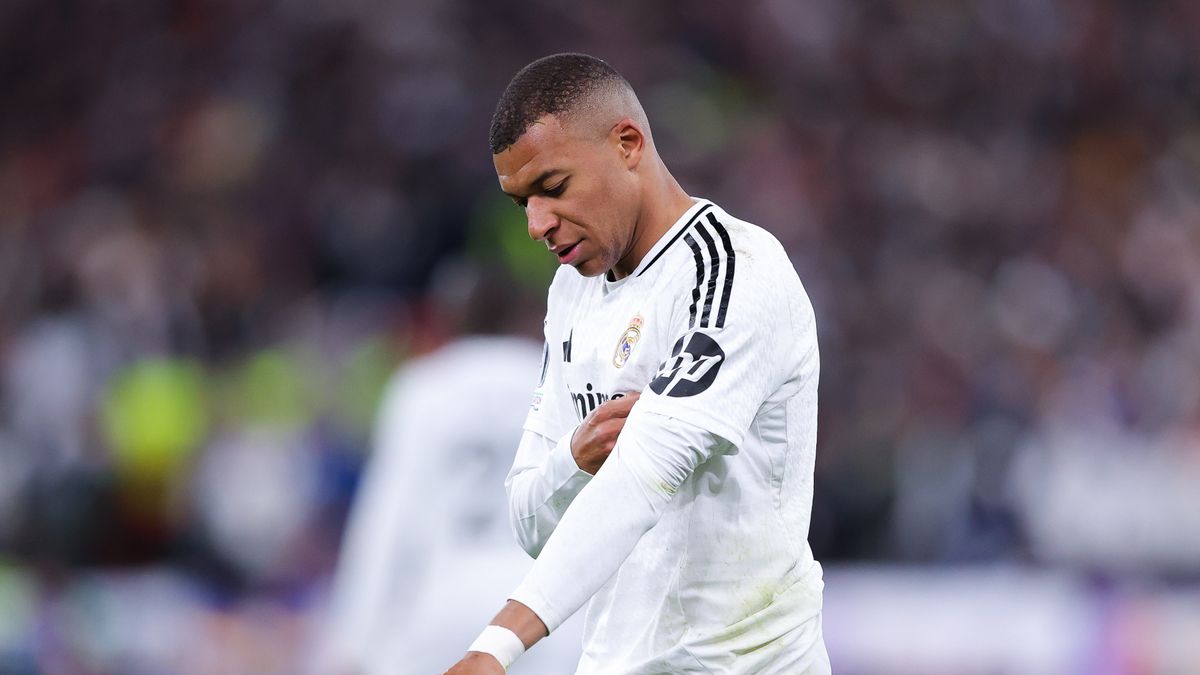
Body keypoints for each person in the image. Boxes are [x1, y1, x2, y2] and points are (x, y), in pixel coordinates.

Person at [446, 53, 829, 674]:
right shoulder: (572, 290)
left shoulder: (731, 274)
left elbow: (645, 473)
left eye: (553, 187)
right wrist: (574, 459)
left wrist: (497, 644)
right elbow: (530, 522)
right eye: (522, 203)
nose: (537, 224)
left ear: (628, 143)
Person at [317, 259, 583, 675]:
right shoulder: (562, 380)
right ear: (525, 315)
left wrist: (351, 639)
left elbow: (389, 516)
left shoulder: (424, 386)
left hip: (440, 599)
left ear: (448, 318)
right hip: (543, 607)